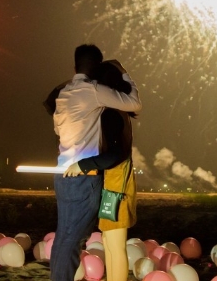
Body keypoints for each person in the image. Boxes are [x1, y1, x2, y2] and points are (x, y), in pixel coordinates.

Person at [48, 44, 142, 281]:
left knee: (72, 238)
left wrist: (85, 163)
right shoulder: (97, 97)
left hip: (83, 177)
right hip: (95, 179)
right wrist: (124, 73)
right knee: (80, 240)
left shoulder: (66, 95)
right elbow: (134, 103)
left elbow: (58, 125)